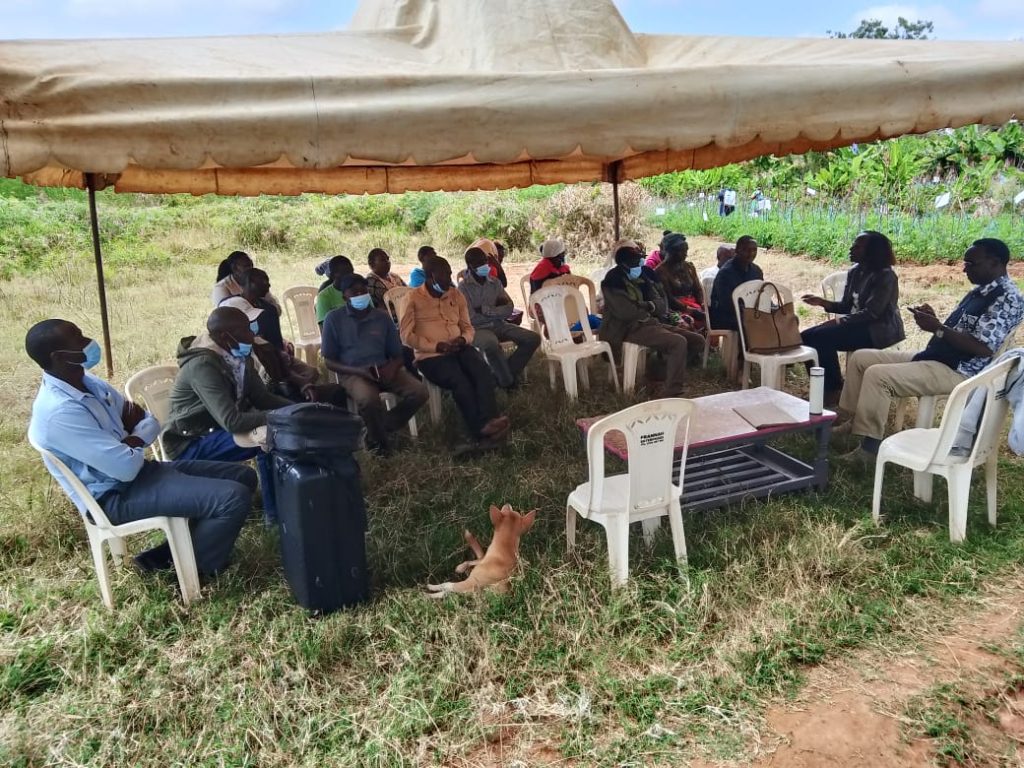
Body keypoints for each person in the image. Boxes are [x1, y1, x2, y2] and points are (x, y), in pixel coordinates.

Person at [26, 319, 255, 577]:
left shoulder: (88, 382)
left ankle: (162, 558)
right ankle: (194, 573)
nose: (88, 341)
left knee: (244, 477)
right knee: (232, 498)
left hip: (142, 473)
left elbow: (149, 422)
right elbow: (126, 467)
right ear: (58, 356)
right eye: (78, 338)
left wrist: (129, 442)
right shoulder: (60, 412)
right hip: (113, 497)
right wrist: (133, 443)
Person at [839, 238, 1024, 458]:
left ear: (994, 263)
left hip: (963, 370)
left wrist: (938, 329)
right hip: (942, 356)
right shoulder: (982, 290)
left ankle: (869, 450)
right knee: (861, 359)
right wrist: (936, 322)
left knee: (879, 376)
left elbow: (983, 348)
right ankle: (855, 420)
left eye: (971, 263)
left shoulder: (1007, 298)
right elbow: (964, 331)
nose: (964, 268)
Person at [163, 307, 294, 523]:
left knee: (278, 428)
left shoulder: (237, 355)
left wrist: (296, 409)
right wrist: (281, 417)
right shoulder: (203, 365)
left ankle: (284, 499)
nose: (252, 335)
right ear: (225, 336)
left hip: (216, 429)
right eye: (246, 330)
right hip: (192, 442)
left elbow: (262, 398)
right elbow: (232, 421)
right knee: (269, 436)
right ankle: (275, 514)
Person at [400, 256, 510, 448]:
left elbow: (468, 327)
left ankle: (489, 421)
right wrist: (437, 346)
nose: (449, 278)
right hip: (431, 356)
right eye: (445, 274)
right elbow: (406, 337)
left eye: (450, 273)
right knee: (459, 380)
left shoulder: (455, 295)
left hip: (459, 348)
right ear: (431, 276)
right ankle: (480, 429)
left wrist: (462, 339)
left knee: (482, 371)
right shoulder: (412, 298)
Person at [321, 275, 428, 456]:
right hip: (355, 372)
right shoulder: (334, 319)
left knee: (419, 392)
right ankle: (380, 448)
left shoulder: (382, 317)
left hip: (384, 367)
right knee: (368, 400)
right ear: (345, 297)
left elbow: (398, 353)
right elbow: (329, 361)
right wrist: (358, 371)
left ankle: (383, 426)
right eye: (355, 292)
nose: (360, 294)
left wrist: (392, 367)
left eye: (363, 291)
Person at [800, 231, 905, 405]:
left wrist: (839, 321)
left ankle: (833, 390)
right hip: (858, 325)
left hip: (878, 331)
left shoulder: (886, 276)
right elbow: (847, 306)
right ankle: (822, 386)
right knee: (806, 336)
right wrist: (822, 302)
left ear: (872, 251)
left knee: (822, 337)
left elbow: (873, 313)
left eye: (857, 246)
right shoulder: (855, 271)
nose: (851, 248)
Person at [600, 243, 704, 397]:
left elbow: (662, 304)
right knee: (678, 342)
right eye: (635, 262)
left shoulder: (643, 275)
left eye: (640, 260)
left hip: (648, 322)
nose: (640, 264)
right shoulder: (612, 281)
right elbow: (626, 312)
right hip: (625, 329)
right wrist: (650, 306)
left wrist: (645, 305)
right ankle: (673, 392)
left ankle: (659, 373)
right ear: (624, 264)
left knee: (697, 340)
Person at [459, 246, 540, 389]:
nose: (484, 265)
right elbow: (471, 317)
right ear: (470, 266)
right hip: (477, 329)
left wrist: (485, 310)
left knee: (533, 338)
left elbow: (509, 308)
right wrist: (496, 309)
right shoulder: (463, 287)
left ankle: (502, 378)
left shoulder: (495, 282)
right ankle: (509, 383)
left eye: (485, 261)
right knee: (490, 344)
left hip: (499, 324)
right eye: (479, 263)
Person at [709, 235, 764, 331]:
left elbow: (761, 295)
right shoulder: (725, 273)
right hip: (726, 316)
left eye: (754, 250)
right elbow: (726, 304)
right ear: (737, 251)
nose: (751, 253)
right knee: (753, 324)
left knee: (781, 319)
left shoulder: (756, 271)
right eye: (747, 250)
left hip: (749, 313)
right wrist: (751, 314)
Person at [654, 232, 705, 330]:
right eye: (682, 251)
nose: (686, 254)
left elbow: (698, 289)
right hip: (675, 310)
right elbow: (669, 299)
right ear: (671, 252)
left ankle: (711, 345)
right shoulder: (660, 272)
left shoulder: (689, 267)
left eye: (686, 250)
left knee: (716, 317)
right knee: (687, 324)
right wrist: (691, 310)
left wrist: (702, 304)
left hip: (695, 306)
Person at [211, 250, 281, 313]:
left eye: (251, 265)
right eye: (246, 266)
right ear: (235, 268)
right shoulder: (221, 288)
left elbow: (276, 308)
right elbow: (225, 315)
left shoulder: (256, 282)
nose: (251, 269)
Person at [315, 255, 354, 325]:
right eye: (345, 273)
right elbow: (325, 328)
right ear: (333, 275)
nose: (349, 276)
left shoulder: (359, 291)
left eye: (351, 272)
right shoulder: (324, 297)